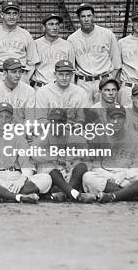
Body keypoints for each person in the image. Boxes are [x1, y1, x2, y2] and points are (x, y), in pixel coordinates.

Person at [35, 60, 95, 203]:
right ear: (55, 74)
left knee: (82, 160)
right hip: (50, 133)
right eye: (60, 74)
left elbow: (82, 119)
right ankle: (72, 191)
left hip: (73, 134)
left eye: (67, 74)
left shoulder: (80, 92)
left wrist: (69, 129)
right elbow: (41, 119)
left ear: (72, 75)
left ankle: (65, 192)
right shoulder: (43, 91)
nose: (64, 77)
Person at [82, 104, 138, 203]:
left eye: (119, 118)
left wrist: (123, 174)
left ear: (125, 119)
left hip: (130, 179)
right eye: (112, 118)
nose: (116, 122)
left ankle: (113, 196)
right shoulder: (98, 137)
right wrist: (111, 177)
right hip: (108, 179)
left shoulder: (137, 138)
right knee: (88, 177)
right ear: (107, 119)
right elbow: (96, 167)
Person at [0, 102, 51, 204]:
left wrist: (22, 179)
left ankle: (3, 195)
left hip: (16, 177)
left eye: (7, 117)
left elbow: (27, 163)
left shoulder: (18, 138)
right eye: (0, 117)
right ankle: (17, 196)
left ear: (12, 120)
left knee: (46, 178)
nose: (3, 120)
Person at [67, 2, 121, 104]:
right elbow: (72, 68)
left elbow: (117, 63)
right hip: (83, 83)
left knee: (106, 115)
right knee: (84, 116)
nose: (86, 19)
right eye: (83, 16)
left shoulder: (107, 34)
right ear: (79, 18)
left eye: (89, 16)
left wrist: (109, 81)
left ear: (93, 16)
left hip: (103, 80)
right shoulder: (72, 39)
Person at [0, 1, 38, 88]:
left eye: (15, 14)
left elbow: (32, 63)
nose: (11, 17)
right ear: (2, 14)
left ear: (18, 15)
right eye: (8, 13)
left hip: (19, 77)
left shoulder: (26, 35)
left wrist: (24, 78)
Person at [32, 13, 74, 90]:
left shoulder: (67, 46)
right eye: (51, 24)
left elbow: (72, 71)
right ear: (43, 27)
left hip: (60, 88)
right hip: (40, 87)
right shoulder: (35, 44)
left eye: (57, 24)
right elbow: (31, 69)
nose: (55, 27)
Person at [0, 57, 36, 127]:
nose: (18, 75)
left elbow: (30, 119)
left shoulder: (29, 91)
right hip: (0, 132)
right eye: (14, 72)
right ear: (5, 74)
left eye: (20, 71)